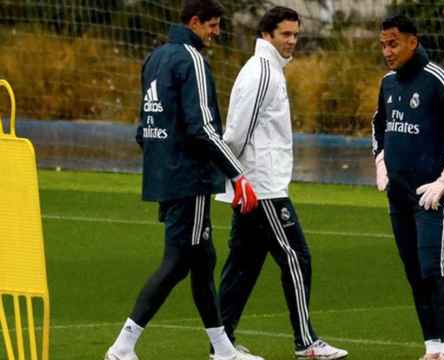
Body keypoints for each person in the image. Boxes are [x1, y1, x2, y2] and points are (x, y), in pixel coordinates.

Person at [104, 1, 262, 360]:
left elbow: (145, 128)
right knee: (177, 262)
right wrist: (237, 174)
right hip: (189, 179)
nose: (216, 33)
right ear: (194, 23)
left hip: (166, 175)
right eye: (213, 26)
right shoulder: (192, 59)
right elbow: (203, 128)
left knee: (203, 258)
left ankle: (223, 349)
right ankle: (123, 345)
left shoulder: (154, 58)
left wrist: (163, 164)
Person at [212, 6, 349, 360]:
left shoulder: (269, 69)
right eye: (286, 34)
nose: (293, 41)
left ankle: (221, 344)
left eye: (296, 35)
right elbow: (237, 132)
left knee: (243, 263)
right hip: (262, 187)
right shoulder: (261, 72)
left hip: (258, 183)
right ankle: (305, 342)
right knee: (296, 256)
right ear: (266, 35)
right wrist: (237, 177)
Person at [372, 15, 444, 360]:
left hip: (432, 196)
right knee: (413, 271)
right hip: (398, 195)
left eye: (393, 43)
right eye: (383, 45)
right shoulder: (388, 83)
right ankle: (431, 348)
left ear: (412, 42)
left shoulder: (436, 77)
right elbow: (378, 124)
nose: (387, 51)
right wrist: (380, 161)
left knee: (433, 268)